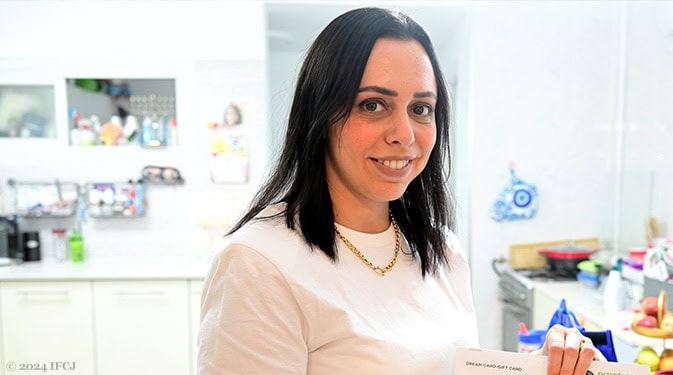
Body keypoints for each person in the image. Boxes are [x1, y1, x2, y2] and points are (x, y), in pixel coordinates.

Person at [198, 7, 604, 375]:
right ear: (319, 113)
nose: (404, 135)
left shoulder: (442, 249)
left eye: (421, 108)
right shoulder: (258, 263)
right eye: (373, 104)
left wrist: (541, 369)